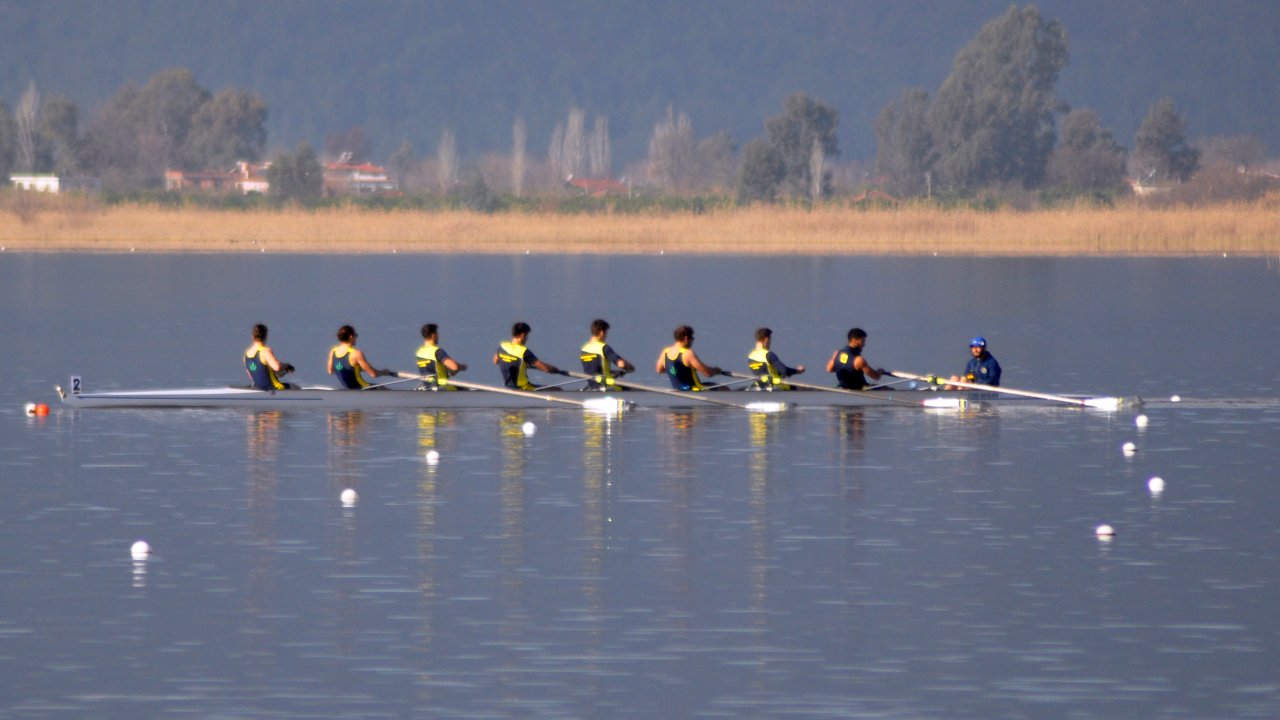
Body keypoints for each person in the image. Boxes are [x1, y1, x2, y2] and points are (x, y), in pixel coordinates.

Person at [494, 322, 560, 390]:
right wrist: (553, 369)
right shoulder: (524, 352)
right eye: (527, 336)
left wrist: (519, 364)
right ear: (523, 335)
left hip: (508, 387)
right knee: (557, 389)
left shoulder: (502, 346)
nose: (527, 339)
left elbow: (496, 361)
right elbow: (545, 368)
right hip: (523, 388)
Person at [656, 325, 724, 391]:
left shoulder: (665, 352)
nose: (692, 341)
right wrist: (716, 370)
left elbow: (659, 370)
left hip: (678, 391)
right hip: (695, 390)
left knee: (713, 385)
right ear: (686, 339)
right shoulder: (688, 353)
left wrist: (679, 371)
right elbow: (707, 373)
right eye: (692, 338)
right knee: (724, 388)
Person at [580, 318, 635, 390]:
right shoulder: (604, 348)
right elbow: (621, 364)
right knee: (631, 390)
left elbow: (595, 369)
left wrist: (614, 372)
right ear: (602, 333)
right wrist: (630, 367)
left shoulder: (584, 349)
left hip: (592, 387)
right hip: (607, 387)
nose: (606, 336)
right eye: (606, 333)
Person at [327, 324, 389, 389]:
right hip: (362, 388)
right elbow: (373, 374)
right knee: (382, 388)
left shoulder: (333, 352)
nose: (356, 338)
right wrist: (383, 372)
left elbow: (330, 371)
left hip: (349, 390)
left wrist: (353, 369)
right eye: (356, 336)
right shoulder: (356, 354)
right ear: (351, 337)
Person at [415, 323, 467, 390]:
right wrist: (461, 367)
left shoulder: (419, 352)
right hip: (442, 388)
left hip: (427, 387)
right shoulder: (438, 352)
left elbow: (431, 367)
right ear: (434, 335)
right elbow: (454, 367)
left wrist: (450, 372)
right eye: (437, 334)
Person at [244, 323, 296, 390]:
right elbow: (277, 367)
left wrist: (281, 372)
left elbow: (252, 373)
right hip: (273, 388)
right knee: (296, 387)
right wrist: (287, 366)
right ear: (266, 337)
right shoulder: (265, 351)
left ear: (252, 336)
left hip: (257, 387)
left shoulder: (247, 354)